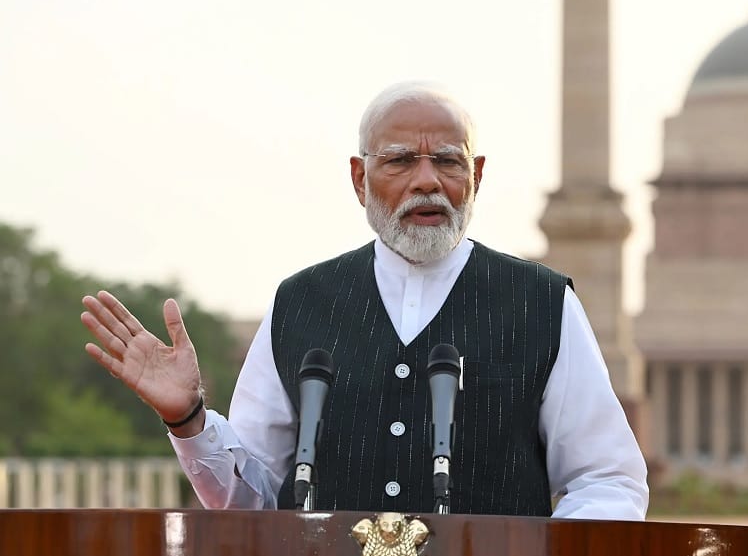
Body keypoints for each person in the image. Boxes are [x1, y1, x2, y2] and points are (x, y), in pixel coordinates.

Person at [81, 81, 649, 520]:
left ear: (476, 176)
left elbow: (607, 479)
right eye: (400, 160)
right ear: (359, 178)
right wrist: (188, 417)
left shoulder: (541, 305)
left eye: (448, 161)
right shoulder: (301, 304)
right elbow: (255, 501)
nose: (426, 180)